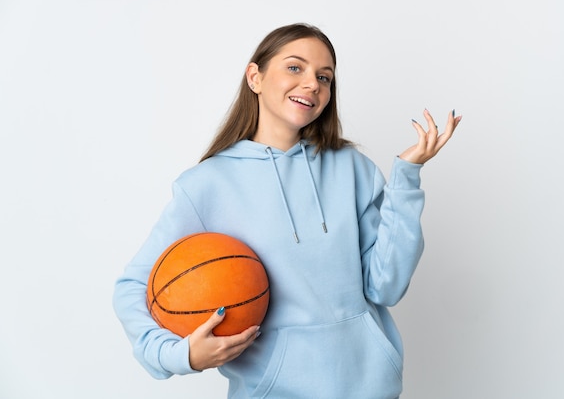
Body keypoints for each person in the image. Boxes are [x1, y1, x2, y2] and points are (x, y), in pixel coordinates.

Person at [113, 22, 462, 398]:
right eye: (295, 67)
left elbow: (386, 286)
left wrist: (406, 178)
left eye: (324, 77)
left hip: (370, 389)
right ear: (255, 77)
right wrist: (180, 355)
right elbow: (133, 287)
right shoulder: (206, 185)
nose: (312, 84)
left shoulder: (352, 168)